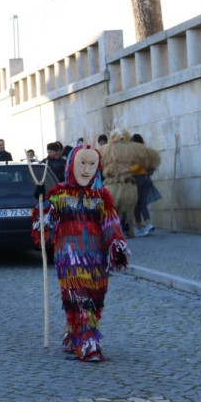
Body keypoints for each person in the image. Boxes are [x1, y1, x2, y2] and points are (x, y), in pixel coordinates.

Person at [33, 144, 129, 362]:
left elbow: (111, 223)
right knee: (79, 298)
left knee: (95, 299)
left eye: (92, 164)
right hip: (70, 259)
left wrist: (116, 246)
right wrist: (40, 205)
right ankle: (88, 345)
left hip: (96, 260)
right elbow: (43, 223)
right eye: (82, 164)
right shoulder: (59, 193)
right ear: (72, 164)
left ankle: (73, 334)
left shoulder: (101, 195)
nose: (86, 170)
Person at [101, 129, 161, 237]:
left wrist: (127, 170)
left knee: (137, 204)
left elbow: (146, 161)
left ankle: (142, 226)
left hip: (133, 181)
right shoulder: (132, 150)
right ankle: (135, 228)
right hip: (124, 182)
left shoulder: (134, 150)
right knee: (134, 205)